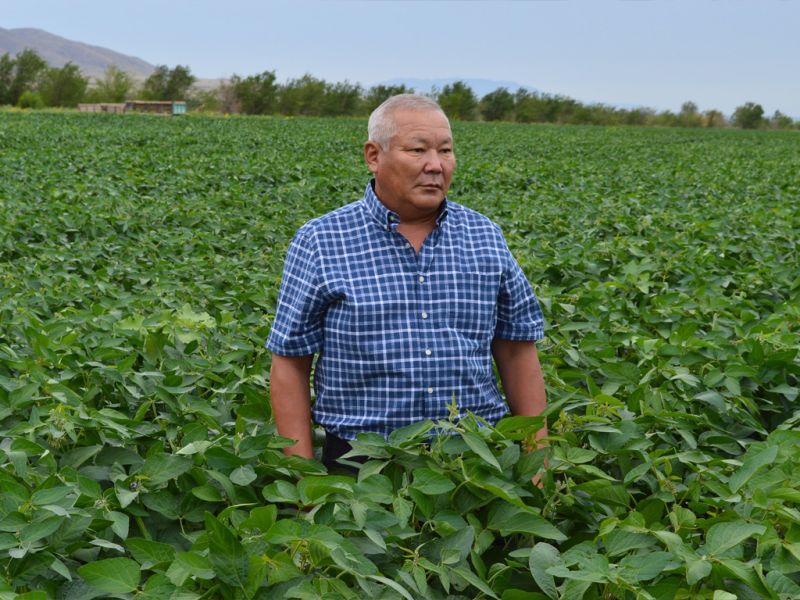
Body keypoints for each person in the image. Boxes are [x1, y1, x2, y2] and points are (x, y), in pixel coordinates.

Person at [267, 94, 546, 471]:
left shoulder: (484, 235)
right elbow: (290, 361)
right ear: (373, 156)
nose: (435, 165)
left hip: (475, 460)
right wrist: (303, 480)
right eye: (418, 150)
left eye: (445, 151)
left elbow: (516, 349)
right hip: (361, 462)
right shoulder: (322, 239)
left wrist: (537, 465)